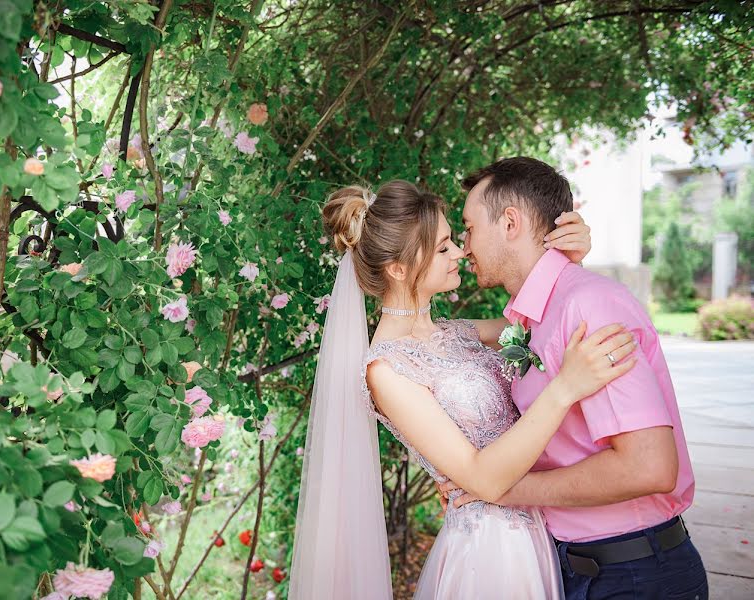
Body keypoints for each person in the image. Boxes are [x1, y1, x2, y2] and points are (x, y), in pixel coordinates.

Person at [289, 179, 636, 599]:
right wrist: (564, 389)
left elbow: (550, 321)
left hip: (539, 534)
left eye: (454, 240)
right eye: (442, 248)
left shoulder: (460, 332)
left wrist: (569, 263)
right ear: (398, 268)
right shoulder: (386, 370)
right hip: (490, 553)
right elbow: (484, 480)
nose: (460, 252)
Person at [438, 157, 706, 600]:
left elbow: (650, 466)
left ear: (510, 223)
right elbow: (481, 337)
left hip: (635, 574)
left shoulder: (588, 306)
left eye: (468, 228)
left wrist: (503, 490)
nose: (465, 247)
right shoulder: (535, 316)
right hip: (573, 566)